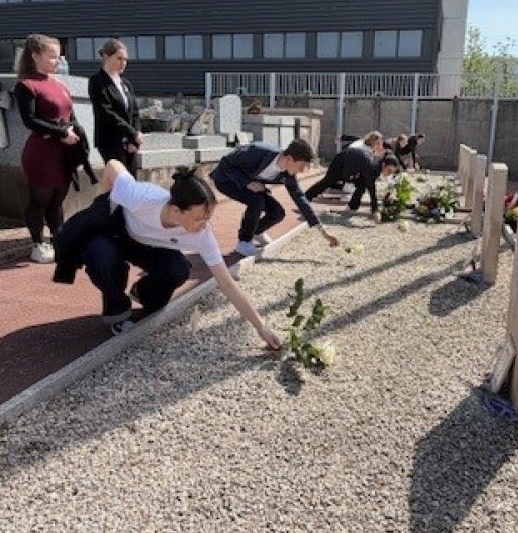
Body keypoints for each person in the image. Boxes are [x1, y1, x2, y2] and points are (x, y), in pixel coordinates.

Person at [55, 159, 282, 348]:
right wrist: (101, 203)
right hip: (117, 234)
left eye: (207, 218)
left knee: (178, 270)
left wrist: (260, 327)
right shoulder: (140, 196)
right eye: (197, 219)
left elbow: (225, 281)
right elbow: (113, 165)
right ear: (175, 210)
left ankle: (142, 291)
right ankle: (118, 312)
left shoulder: (202, 233)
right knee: (101, 256)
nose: (203, 225)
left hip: (149, 245)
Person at [14, 33, 86, 264]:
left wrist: (74, 130)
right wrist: (61, 132)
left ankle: (60, 240)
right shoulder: (26, 85)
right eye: (52, 56)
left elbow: (70, 115)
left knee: (57, 201)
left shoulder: (57, 84)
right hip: (41, 154)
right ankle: (38, 243)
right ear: (35, 56)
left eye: (59, 56)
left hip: (62, 154)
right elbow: (30, 120)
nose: (58, 60)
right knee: (40, 200)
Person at [210, 139, 339, 257]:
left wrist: (323, 231)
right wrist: (248, 183)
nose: (302, 170)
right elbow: (225, 162)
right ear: (289, 158)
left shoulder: (288, 175)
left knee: (277, 212)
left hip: (251, 184)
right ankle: (244, 242)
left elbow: (300, 199)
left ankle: (257, 231)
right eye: (301, 165)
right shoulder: (258, 151)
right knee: (257, 201)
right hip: (226, 181)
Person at [305, 138, 399, 222]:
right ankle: (305, 197)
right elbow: (372, 191)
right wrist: (375, 211)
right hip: (341, 162)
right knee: (327, 182)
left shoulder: (376, 165)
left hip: (350, 165)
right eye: (389, 170)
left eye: (392, 172)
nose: (389, 174)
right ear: (384, 165)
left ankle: (353, 206)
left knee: (362, 184)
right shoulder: (373, 167)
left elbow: (368, 183)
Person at [88, 38, 143, 176]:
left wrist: (134, 139)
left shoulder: (126, 84)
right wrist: (132, 132)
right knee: (120, 183)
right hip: (110, 142)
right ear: (106, 56)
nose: (123, 63)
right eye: (119, 58)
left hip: (130, 142)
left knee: (132, 184)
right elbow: (105, 112)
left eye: (125, 59)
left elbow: (135, 112)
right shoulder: (97, 81)